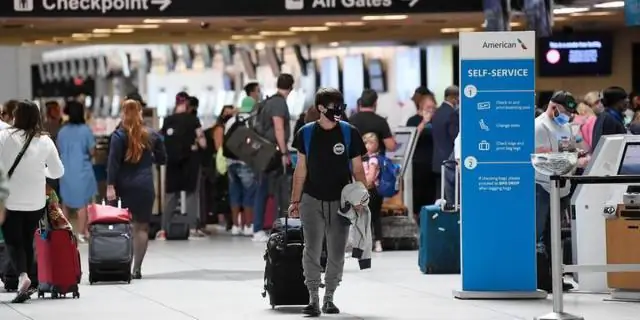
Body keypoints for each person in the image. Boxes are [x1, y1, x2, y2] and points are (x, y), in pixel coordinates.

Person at [289, 87, 367, 316]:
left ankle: (329, 297)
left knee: (336, 252)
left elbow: (358, 169)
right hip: (311, 200)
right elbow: (300, 170)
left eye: (341, 105)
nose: (339, 110)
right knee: (311, 249)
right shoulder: (305, 133)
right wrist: (295, 201)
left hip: (341, 202)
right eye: (335, 106)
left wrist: (362, 198)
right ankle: (313, 297)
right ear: (321, 108)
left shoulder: (349, 132)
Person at [0, 100, 64, 303]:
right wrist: (41, 171)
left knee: (12, 240)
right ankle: (27, 280)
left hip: (11, 198)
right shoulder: (45, 140)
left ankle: (23, 276)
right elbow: (58, 171)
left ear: (16, 116)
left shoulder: (5, 136)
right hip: (36, 201)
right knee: (27, 238)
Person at [107, 99, 167, 279]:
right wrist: (149, 160)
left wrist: (110, 186)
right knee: (142, 228)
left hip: (124, 186)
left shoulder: (118, 136)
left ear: (123, 113)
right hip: (145, 185)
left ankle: (125, 265)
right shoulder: (151, 135)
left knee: (126, 227)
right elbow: (163, 158)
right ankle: (137, 269)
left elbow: (113, 164)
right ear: (140, 112)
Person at [534, 91, 584, 291]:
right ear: (553, 106)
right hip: (543, 186)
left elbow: (569, 148)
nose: (568, 115)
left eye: (571, 111)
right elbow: (541, 158)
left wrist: (574, 154)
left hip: (562, 186)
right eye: (565, 110)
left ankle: (555, 278)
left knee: (556, 236)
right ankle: (541, 279)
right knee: (540, 234)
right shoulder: (539, 126)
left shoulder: (564, 126)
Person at [157, 93, 206, 239]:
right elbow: (203, 142)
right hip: (190, 162)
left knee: (171, 196)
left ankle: (163, 230)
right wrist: (196, 144)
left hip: (172, 163)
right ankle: (191, 230)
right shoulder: (193, 120)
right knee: (191, 195)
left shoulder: (167, 120)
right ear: (187, 104)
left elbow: (161, 138)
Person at [253, 74, 294, 240]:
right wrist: (284, 153)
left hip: (264, 151)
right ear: (291, 87)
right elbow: (279, 128)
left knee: (263, 188)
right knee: (274, 190)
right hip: (272, 153)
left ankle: (259, 227)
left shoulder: (269, 101)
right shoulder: (279, 103)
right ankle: (262, 228)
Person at [57, 101, 98, 242]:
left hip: (66, 171)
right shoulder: (85, 130)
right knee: (82, 204)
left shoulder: (62, 131)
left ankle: (63, 233)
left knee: (66, 204)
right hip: (82, 170)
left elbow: (58, 149)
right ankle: (81, 233)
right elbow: (92, 151)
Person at [224, 108, 258, 237]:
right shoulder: (252, 120)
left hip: (230, 162)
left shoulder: (232, 120)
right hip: (245, 162)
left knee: (234, 194)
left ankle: (235, 226)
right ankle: (248, 225)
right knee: (249, 193)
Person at [202, 105, 235, 233]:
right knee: (221, 192)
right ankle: (223, 220)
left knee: (222, 192)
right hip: (217, 165)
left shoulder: (221, 128)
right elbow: (219, 148)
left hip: (218, 164)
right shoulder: (219, 128)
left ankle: (226, 220)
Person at [406, 87, 438, 212]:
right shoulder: (413, 120)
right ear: (421, 106)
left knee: (431, 195)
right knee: (418, 194)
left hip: (432, 161)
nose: (431, 111)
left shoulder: (435, 120)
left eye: (433, 108)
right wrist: (424, 122)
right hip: (418, 162)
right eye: (428, 108)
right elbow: (413, 138)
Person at [431, 86, 460, 198]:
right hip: (449, 161)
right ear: (453, 98)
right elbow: (455, 137)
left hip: (437, 160)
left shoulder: (437, 112)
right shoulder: (452, 114)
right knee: (449, 197)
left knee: (440, 196)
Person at [348, 89, 396, 154]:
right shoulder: (381, 121)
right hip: (376, 162)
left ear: (361, 102)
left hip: (355, 162)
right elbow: (391, 147)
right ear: (375, 103)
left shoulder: (350, 120)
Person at [362, 133, 383, 252]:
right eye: (366, 143)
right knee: (371, 217)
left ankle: (376, 242)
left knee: (372, 216)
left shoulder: (373, 159)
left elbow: (371, 176)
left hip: (372, 190)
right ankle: (374, 242)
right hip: (368, 189)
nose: (368, 146)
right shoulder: (364, 158)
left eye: (371, 143)